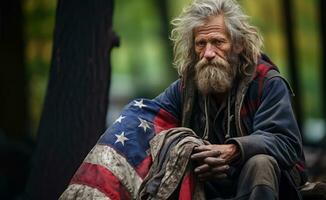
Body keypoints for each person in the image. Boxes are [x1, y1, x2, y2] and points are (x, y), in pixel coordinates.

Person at [60, 0, 307, 199]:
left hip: (269, 185)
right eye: (201, 43)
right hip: (213, 183)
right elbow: (149, 119)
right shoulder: (188, 87)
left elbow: (286, 142)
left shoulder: (267, 82)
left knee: (260, 163)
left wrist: (234, 150)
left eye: (218, 42)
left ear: (239, 45)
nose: (209, 53)